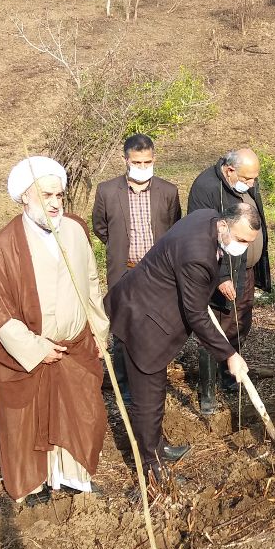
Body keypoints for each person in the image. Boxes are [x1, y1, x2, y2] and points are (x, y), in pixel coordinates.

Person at [0, 156, 109, 507]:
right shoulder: (2, 246)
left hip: (76, 346)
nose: (54, 203)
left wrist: (98, 331)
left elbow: (92, 283)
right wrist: (36, 348)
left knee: (82, 413)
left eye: (59, 196)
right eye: (46, 195)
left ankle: (73, 478)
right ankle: (36, 485)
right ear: (24, 197)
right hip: (33, 354)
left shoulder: (76, 230)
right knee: (28, 424)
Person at [105, 202, 256, 481]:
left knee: (155, 389)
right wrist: (229, 355)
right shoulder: (197, 255)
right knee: (147, 398)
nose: (243, 247)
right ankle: (151, 464)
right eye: (241, 239)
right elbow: (197, 315)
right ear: (224, 225)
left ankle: (157, 445)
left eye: (249, 241)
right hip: (143, 320)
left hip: (146, 302)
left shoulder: (206, 216)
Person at [92, 133, 183, 400]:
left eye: (147, 162)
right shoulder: (107, 191)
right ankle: (124, 386)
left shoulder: (168, 191)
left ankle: (153, 380)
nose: (142, 167)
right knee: (123, 329)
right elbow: (101, 227)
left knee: (158, 326)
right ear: (125, 160)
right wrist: (120, 248)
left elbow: (175, 227)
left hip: (158, 274)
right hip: (124, 271)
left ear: (154, 159)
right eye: (137, 162)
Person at [187, 148, 272, 415]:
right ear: (230, 169)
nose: (252, 184)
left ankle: (229, 374)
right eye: (247, 178)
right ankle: (208, 392)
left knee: (239, 322)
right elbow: (205, 234)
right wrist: (223, 275)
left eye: (254, 179)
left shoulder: (245, 183)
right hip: (219, 272)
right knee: (214, 330)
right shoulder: (206, 187)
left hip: (245, 269)